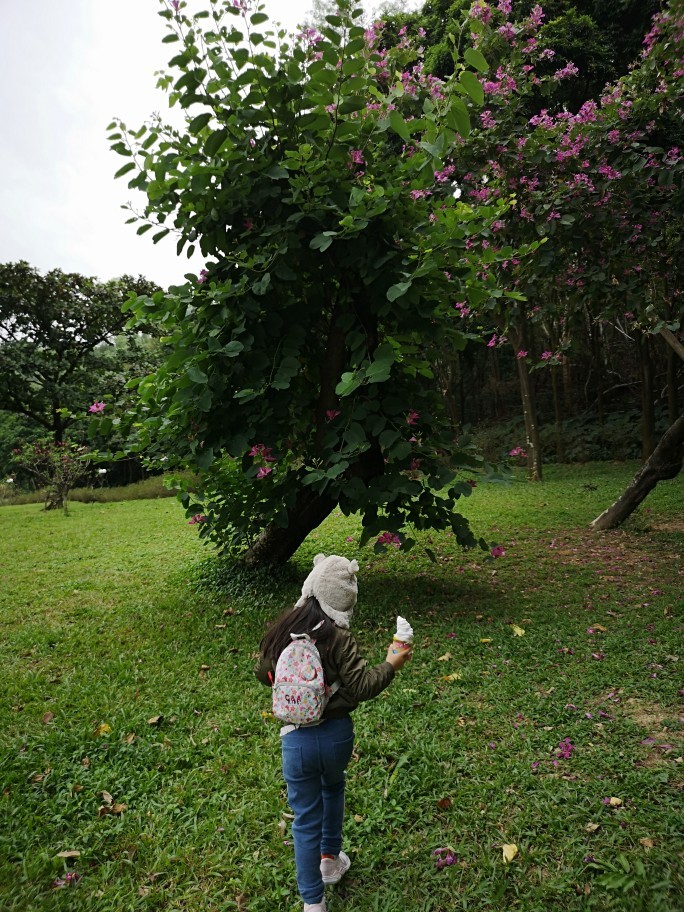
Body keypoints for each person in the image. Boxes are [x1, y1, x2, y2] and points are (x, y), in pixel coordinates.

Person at [255, 553, 412, 912]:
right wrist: (392, 662)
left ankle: (313, 902)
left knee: (304, 817)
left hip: (295, 740)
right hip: (336, 735)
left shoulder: (282, 630)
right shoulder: (338, 636)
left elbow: (263, 674)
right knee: (333, 786)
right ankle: (330, 859)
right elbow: (359, 686)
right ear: (344, 598)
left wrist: (291, 683)